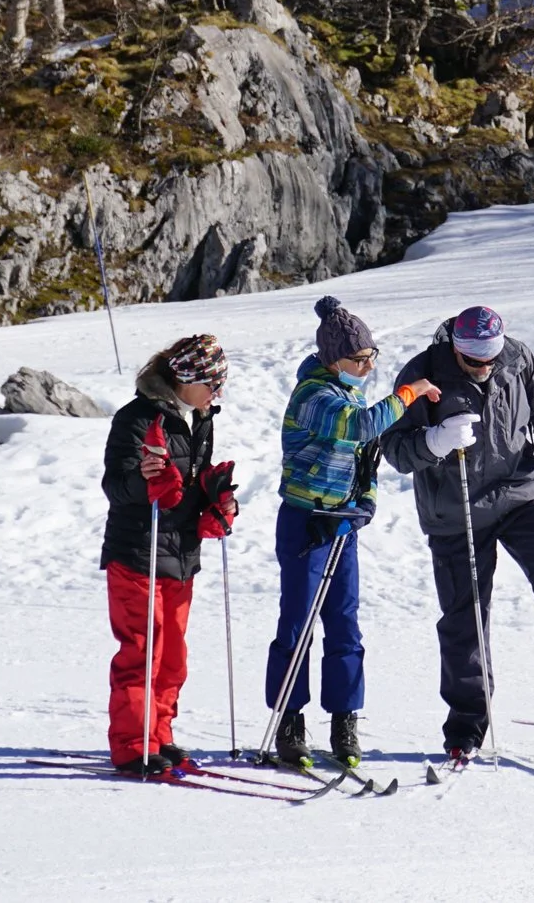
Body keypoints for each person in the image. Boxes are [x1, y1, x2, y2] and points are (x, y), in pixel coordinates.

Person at [379, 304, 534, 761]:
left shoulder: (516, 359)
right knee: (465, 616)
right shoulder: (422, 374)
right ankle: (465, 727)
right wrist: (434, 441)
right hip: (455, 509)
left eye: (491, 358)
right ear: (456, 348)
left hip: (520, 494)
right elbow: (395, 448)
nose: (484, 368)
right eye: (474, 360)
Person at [263, 297, 438, 770]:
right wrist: (409, 394)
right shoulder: (314, 396)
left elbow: (367, 459)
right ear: (331, 358)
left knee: (345, 622)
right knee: (298, 623)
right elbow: (361, 429)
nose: (368, 366)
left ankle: (344, 716)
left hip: (342, 524)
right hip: (305, 521)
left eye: (371, 357)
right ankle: (289, 719)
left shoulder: (350, 393)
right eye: (358, 359)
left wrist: (367, 501)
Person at [98, 333, 238, 775]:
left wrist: (214, 504)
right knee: (142, 651)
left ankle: (159, 733)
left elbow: (189, 485)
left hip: (180, 555)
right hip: (137, 552)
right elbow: (115, 488)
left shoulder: (201, 419)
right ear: (186, 379)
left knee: (173, 656)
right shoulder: (135, 419)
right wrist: (144, 479)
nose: (217, 394)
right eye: (212, 385)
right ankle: (131, 744)